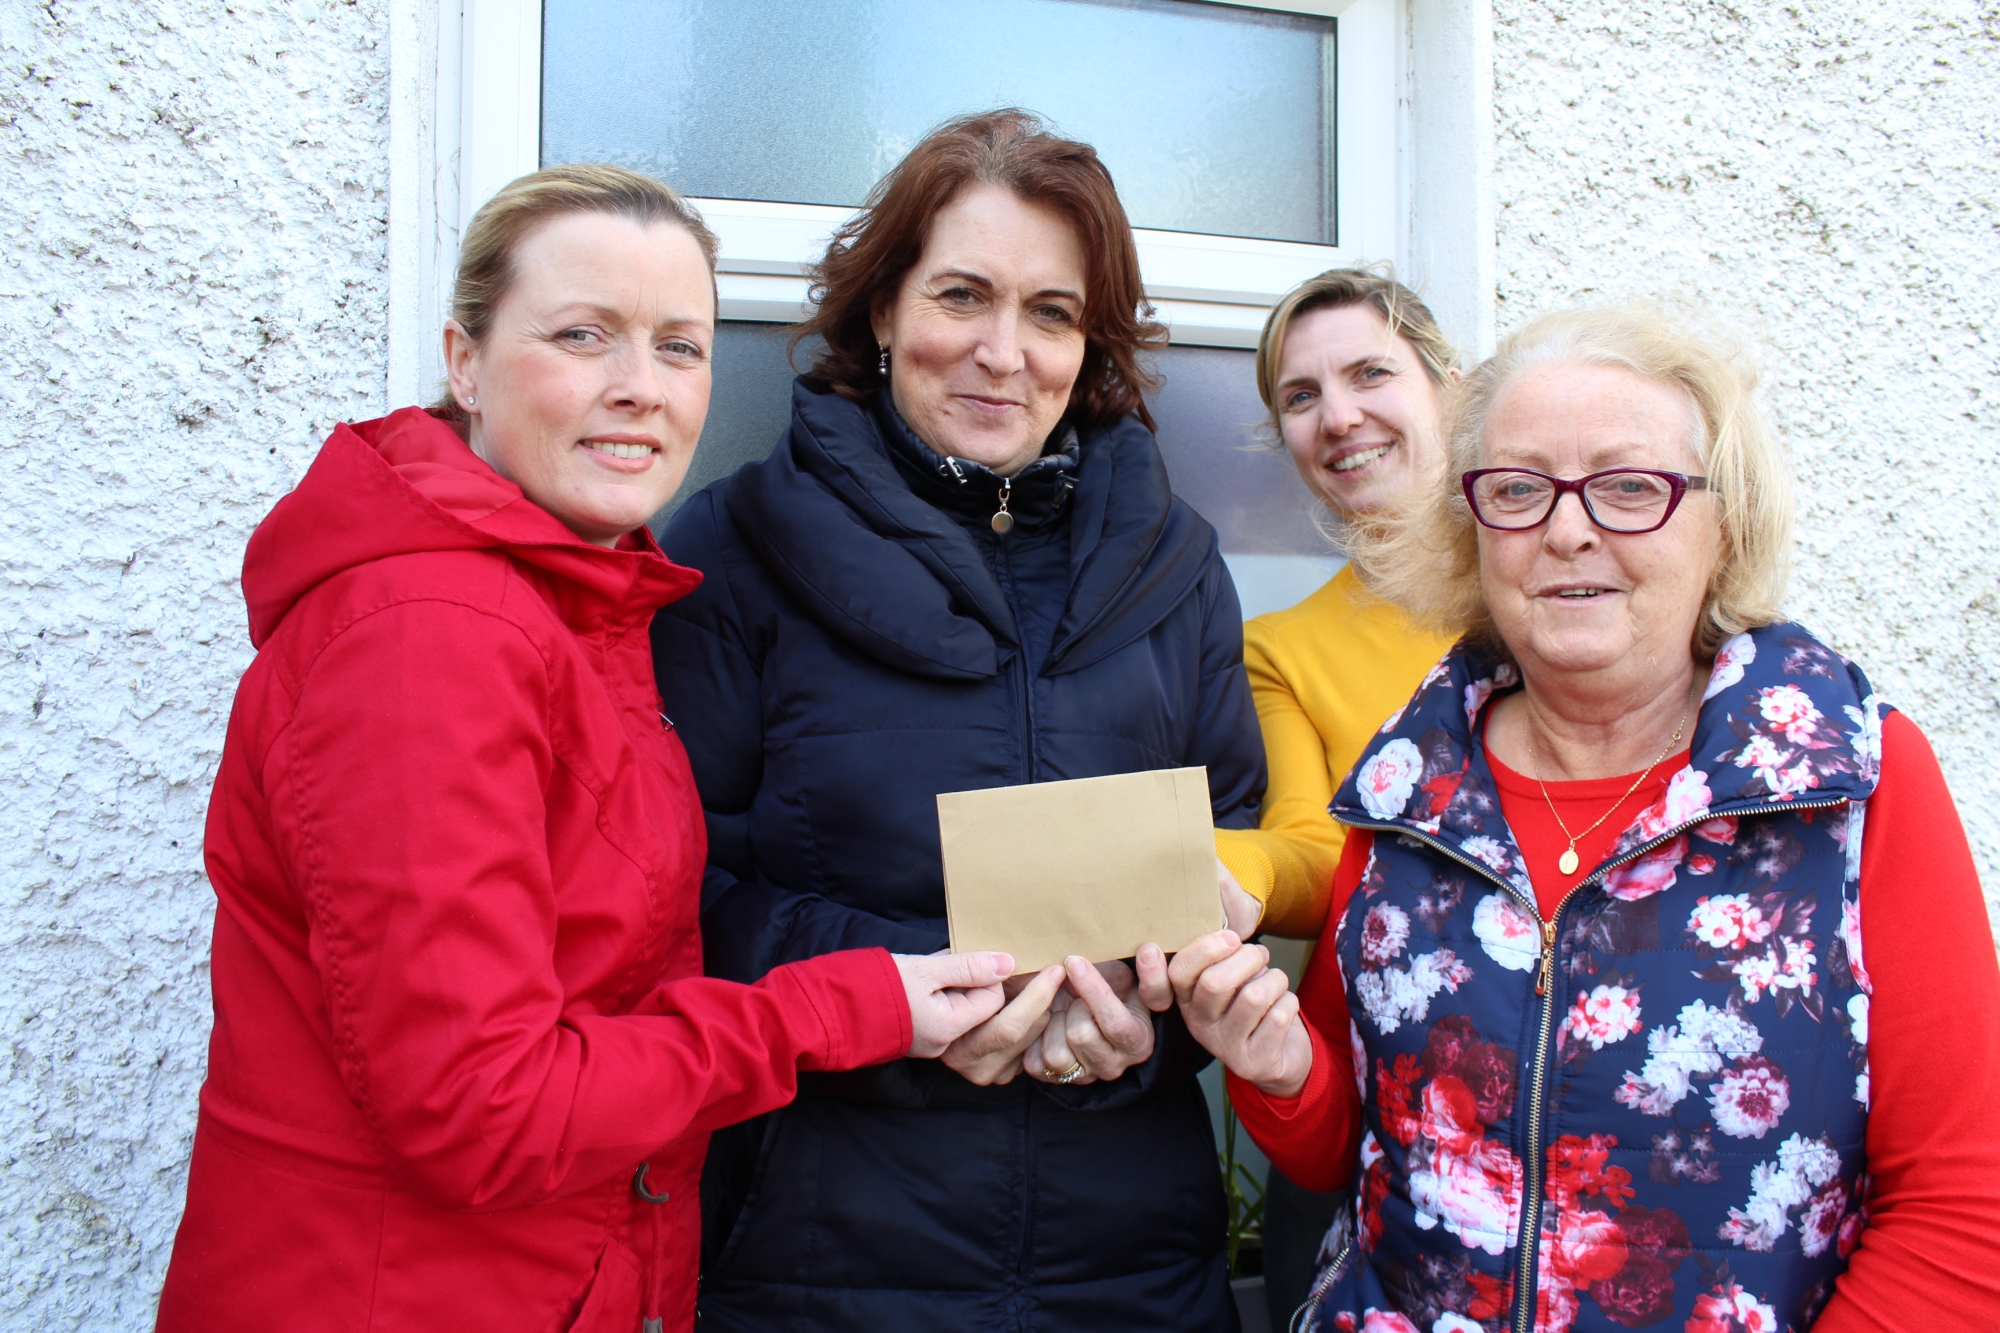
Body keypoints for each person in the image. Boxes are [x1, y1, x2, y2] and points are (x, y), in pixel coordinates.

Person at [154, 165, 1012, 1333]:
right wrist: (837, 1007)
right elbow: (482, 1107)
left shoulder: (572, 604)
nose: (638, 390)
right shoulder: (429, 638)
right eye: (581, 335)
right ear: (464, 362)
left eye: (679, 346)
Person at [1168, 306, 2000, 1331]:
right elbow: (1358, 1147)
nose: (1566, 528)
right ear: (1469, 526)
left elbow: (1963, 1214)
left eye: (1627, 487)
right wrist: (1278, 1065)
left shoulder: (1851, 781)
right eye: (1515, 489)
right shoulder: (1407, 788)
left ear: (1721, 521)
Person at [651, 110, 1265, 1330]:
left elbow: (1226, 828)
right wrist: (897, 998)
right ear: (881, 311)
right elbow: (672, 894)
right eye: (960, 297)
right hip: (823, 1252)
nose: (1002, 351)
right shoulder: (735, 550)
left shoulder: (1176, 561)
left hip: (1133, 1258)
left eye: (1049, 311)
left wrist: (1152, 1012)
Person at [1210, 270, 1462, 1327]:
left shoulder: (1565, 585)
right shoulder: (1282, 646)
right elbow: (1315, 851)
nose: (1339, 415)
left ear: (1447, 386)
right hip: (1371, 1106)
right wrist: (1229, 872)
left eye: (1369, 373)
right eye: (1301, 396)